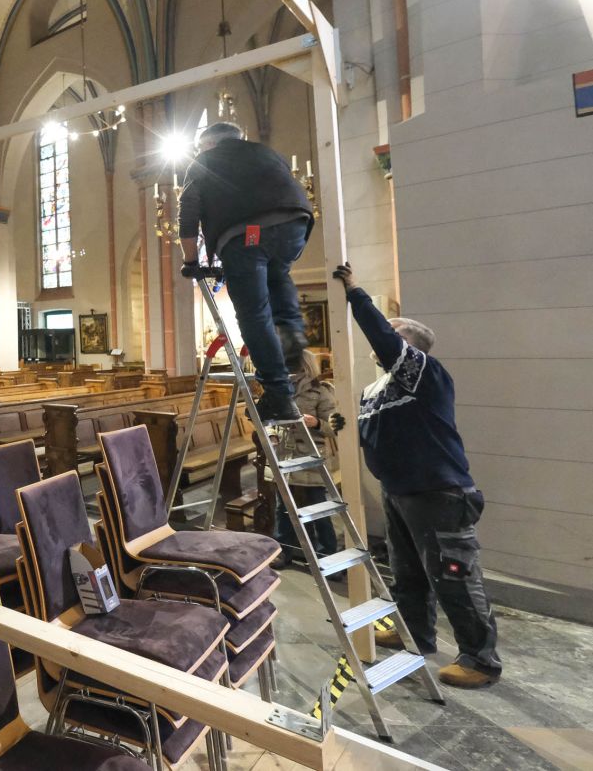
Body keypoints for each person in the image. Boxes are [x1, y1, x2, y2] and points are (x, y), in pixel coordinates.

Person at [332, 261, 501, 689]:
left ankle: (480, 660)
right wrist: (343, 429)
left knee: (455, 577)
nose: (386, 338)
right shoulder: (376, 390)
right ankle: (415, 634)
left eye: (396, 333)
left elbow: (385, 340)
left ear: (412, 346)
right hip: (398, 492)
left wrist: (355, 294)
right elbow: (371, 436)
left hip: (438, 493)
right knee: (406, 572)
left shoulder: (427, 373)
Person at [178, 122, 314, 421]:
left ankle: (278, 394)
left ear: (209, 144)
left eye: (201, 147)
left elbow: (188, 212)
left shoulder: (205, 160)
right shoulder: (266, 153)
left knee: (254, 314)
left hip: (248, 234)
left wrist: (191, 262)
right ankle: (292, 339)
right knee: (278, 277)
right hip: (295, 225)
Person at [271, 349, 340, 568]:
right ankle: (284, 551)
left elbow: (337, 427)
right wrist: (271, 433)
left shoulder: (320, 391)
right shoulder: (280, 387)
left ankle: (327, 554)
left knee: (318, 507)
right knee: (283, 507)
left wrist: (317, 423)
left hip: (310, 456)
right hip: (284, 453)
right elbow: (269, 417)